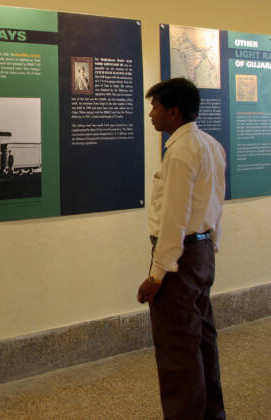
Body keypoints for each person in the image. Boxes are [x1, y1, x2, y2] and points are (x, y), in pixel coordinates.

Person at [137, 77, 226, 419]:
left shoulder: (180, 153)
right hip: (200, 254)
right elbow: (216, 205)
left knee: (177, 350)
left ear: (173, 113)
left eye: (155, 107)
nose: (151, 114)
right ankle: (211, 414)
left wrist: (156, 275)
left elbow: (174, 219)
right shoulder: (210, 145)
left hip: (179, 260)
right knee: (203, 341)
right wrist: (210, 249)